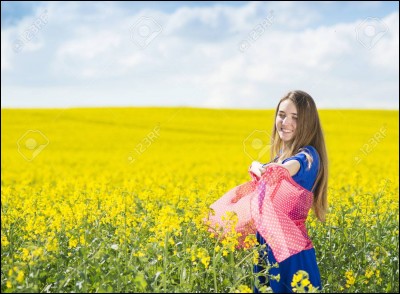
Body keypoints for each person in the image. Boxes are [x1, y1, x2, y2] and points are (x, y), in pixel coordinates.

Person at [251, 90, 328, 293]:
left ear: (308, 123)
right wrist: (257, 165)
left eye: (295, 117)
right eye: (282, 114)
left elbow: (290, 168)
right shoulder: (279, 158)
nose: (286, 122)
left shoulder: (308, 157)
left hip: (292, 256)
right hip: (266, 252)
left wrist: (267, 169)